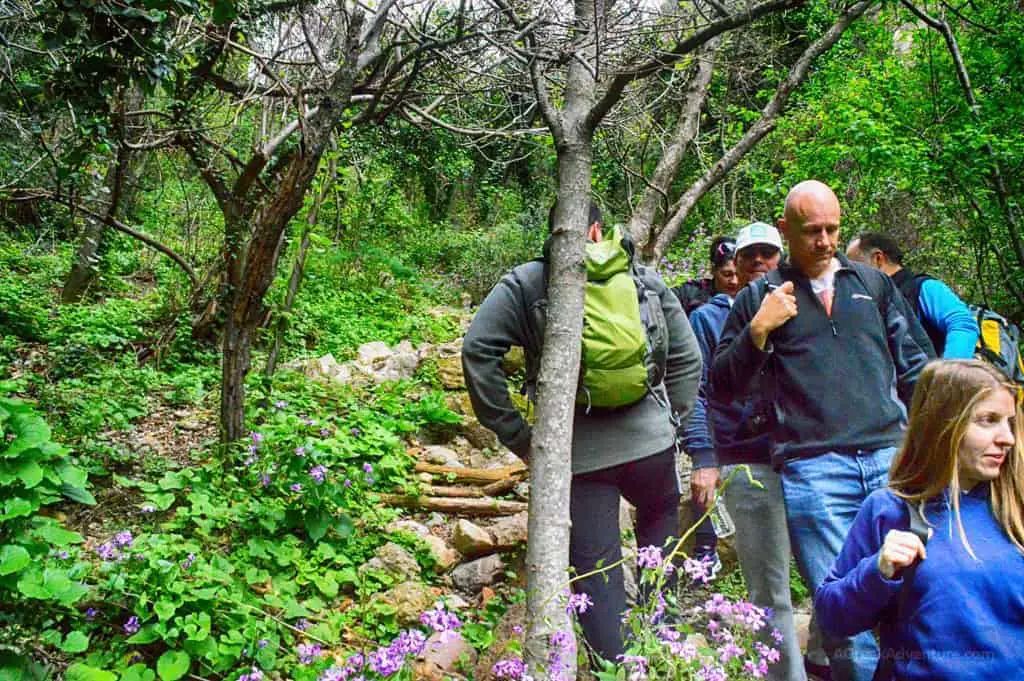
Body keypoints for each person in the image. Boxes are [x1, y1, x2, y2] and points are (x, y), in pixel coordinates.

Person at [710, 180, 933, 681]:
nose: (826, 241)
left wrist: (938, 439)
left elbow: (917, 368)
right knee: (846, 618)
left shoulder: (873, 284)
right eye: (813, 231)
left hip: (890, 459)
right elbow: (723, 385)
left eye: (833, 228)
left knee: (918, 595)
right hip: (813, 469)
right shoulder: (758, 297)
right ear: (786, 229)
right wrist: (758, 331)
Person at [461, 201, 702, 662]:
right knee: (659, 543)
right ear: (596, 228)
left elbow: (477, 352)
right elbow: (689, 358)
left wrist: (519, 436)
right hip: (653, 449)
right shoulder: (637, 274)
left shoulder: (529, 281)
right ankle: (664, 639)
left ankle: (616, 663)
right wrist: (671, 418)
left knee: (597, 572)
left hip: (580, 458)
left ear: (553, 232)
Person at [815, 359, 1024, 680]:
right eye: (988, 421)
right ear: (943, 424)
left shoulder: (1015, 512)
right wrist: (877, 570)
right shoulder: (892, 510)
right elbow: (833, 617)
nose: (1007, 437)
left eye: (1009, 422)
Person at [678, 234, 742, 574]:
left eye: (737, 273)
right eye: (725, 274)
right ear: (713, 274)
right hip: (715, 418)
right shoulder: (704, 315)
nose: (733, 281)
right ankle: (706, 551)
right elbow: (694, 384)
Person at [846, 232, 978, 358]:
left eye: (854, 266)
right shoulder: (870, 298)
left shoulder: (924, 287)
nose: (850, 274)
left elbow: (962, 324)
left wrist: (948, 375)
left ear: (878, 259)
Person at [673, 236, 740, 316]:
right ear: (713, 269)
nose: (734, 281)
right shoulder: (689, 293)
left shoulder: (750, 297)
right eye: (727, 274)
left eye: (739, 274)